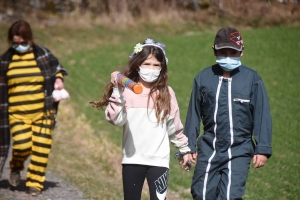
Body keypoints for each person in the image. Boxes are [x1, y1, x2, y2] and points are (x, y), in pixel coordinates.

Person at [91, 38, 191, 200]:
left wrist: (184, 149)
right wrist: (117, 90)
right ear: (137, 65)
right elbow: (116, 120)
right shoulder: (126, 91)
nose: (151, 69)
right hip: (132, 160)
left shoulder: (167, 93)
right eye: (147, 64)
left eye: (156, 65)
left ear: (162, 67)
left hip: (159, 162)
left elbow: (174, 126)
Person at [184, 27, 272, 200]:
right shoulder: (203, 78)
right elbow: (193, 114)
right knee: (201, 193)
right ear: (214, 50)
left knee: (230, 195)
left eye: (233, 52)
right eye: (223, 52)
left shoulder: (252, 79)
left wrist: (262, 148)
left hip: (239, 149)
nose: (228, 57)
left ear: (241, 51)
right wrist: (188, 146)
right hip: (210, 147)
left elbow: (262, 115)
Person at [0, 20, 68, 196]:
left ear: (30, 39)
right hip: (17, 114)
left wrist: (59, 79)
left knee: (41, 148)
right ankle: (15, 167)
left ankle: (35, 183)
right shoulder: (6, 61)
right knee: (22, 144)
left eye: (23, 43)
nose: (19, 46)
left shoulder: (42, 55)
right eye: (15, 43)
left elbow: (57, 68)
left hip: (43, 112)